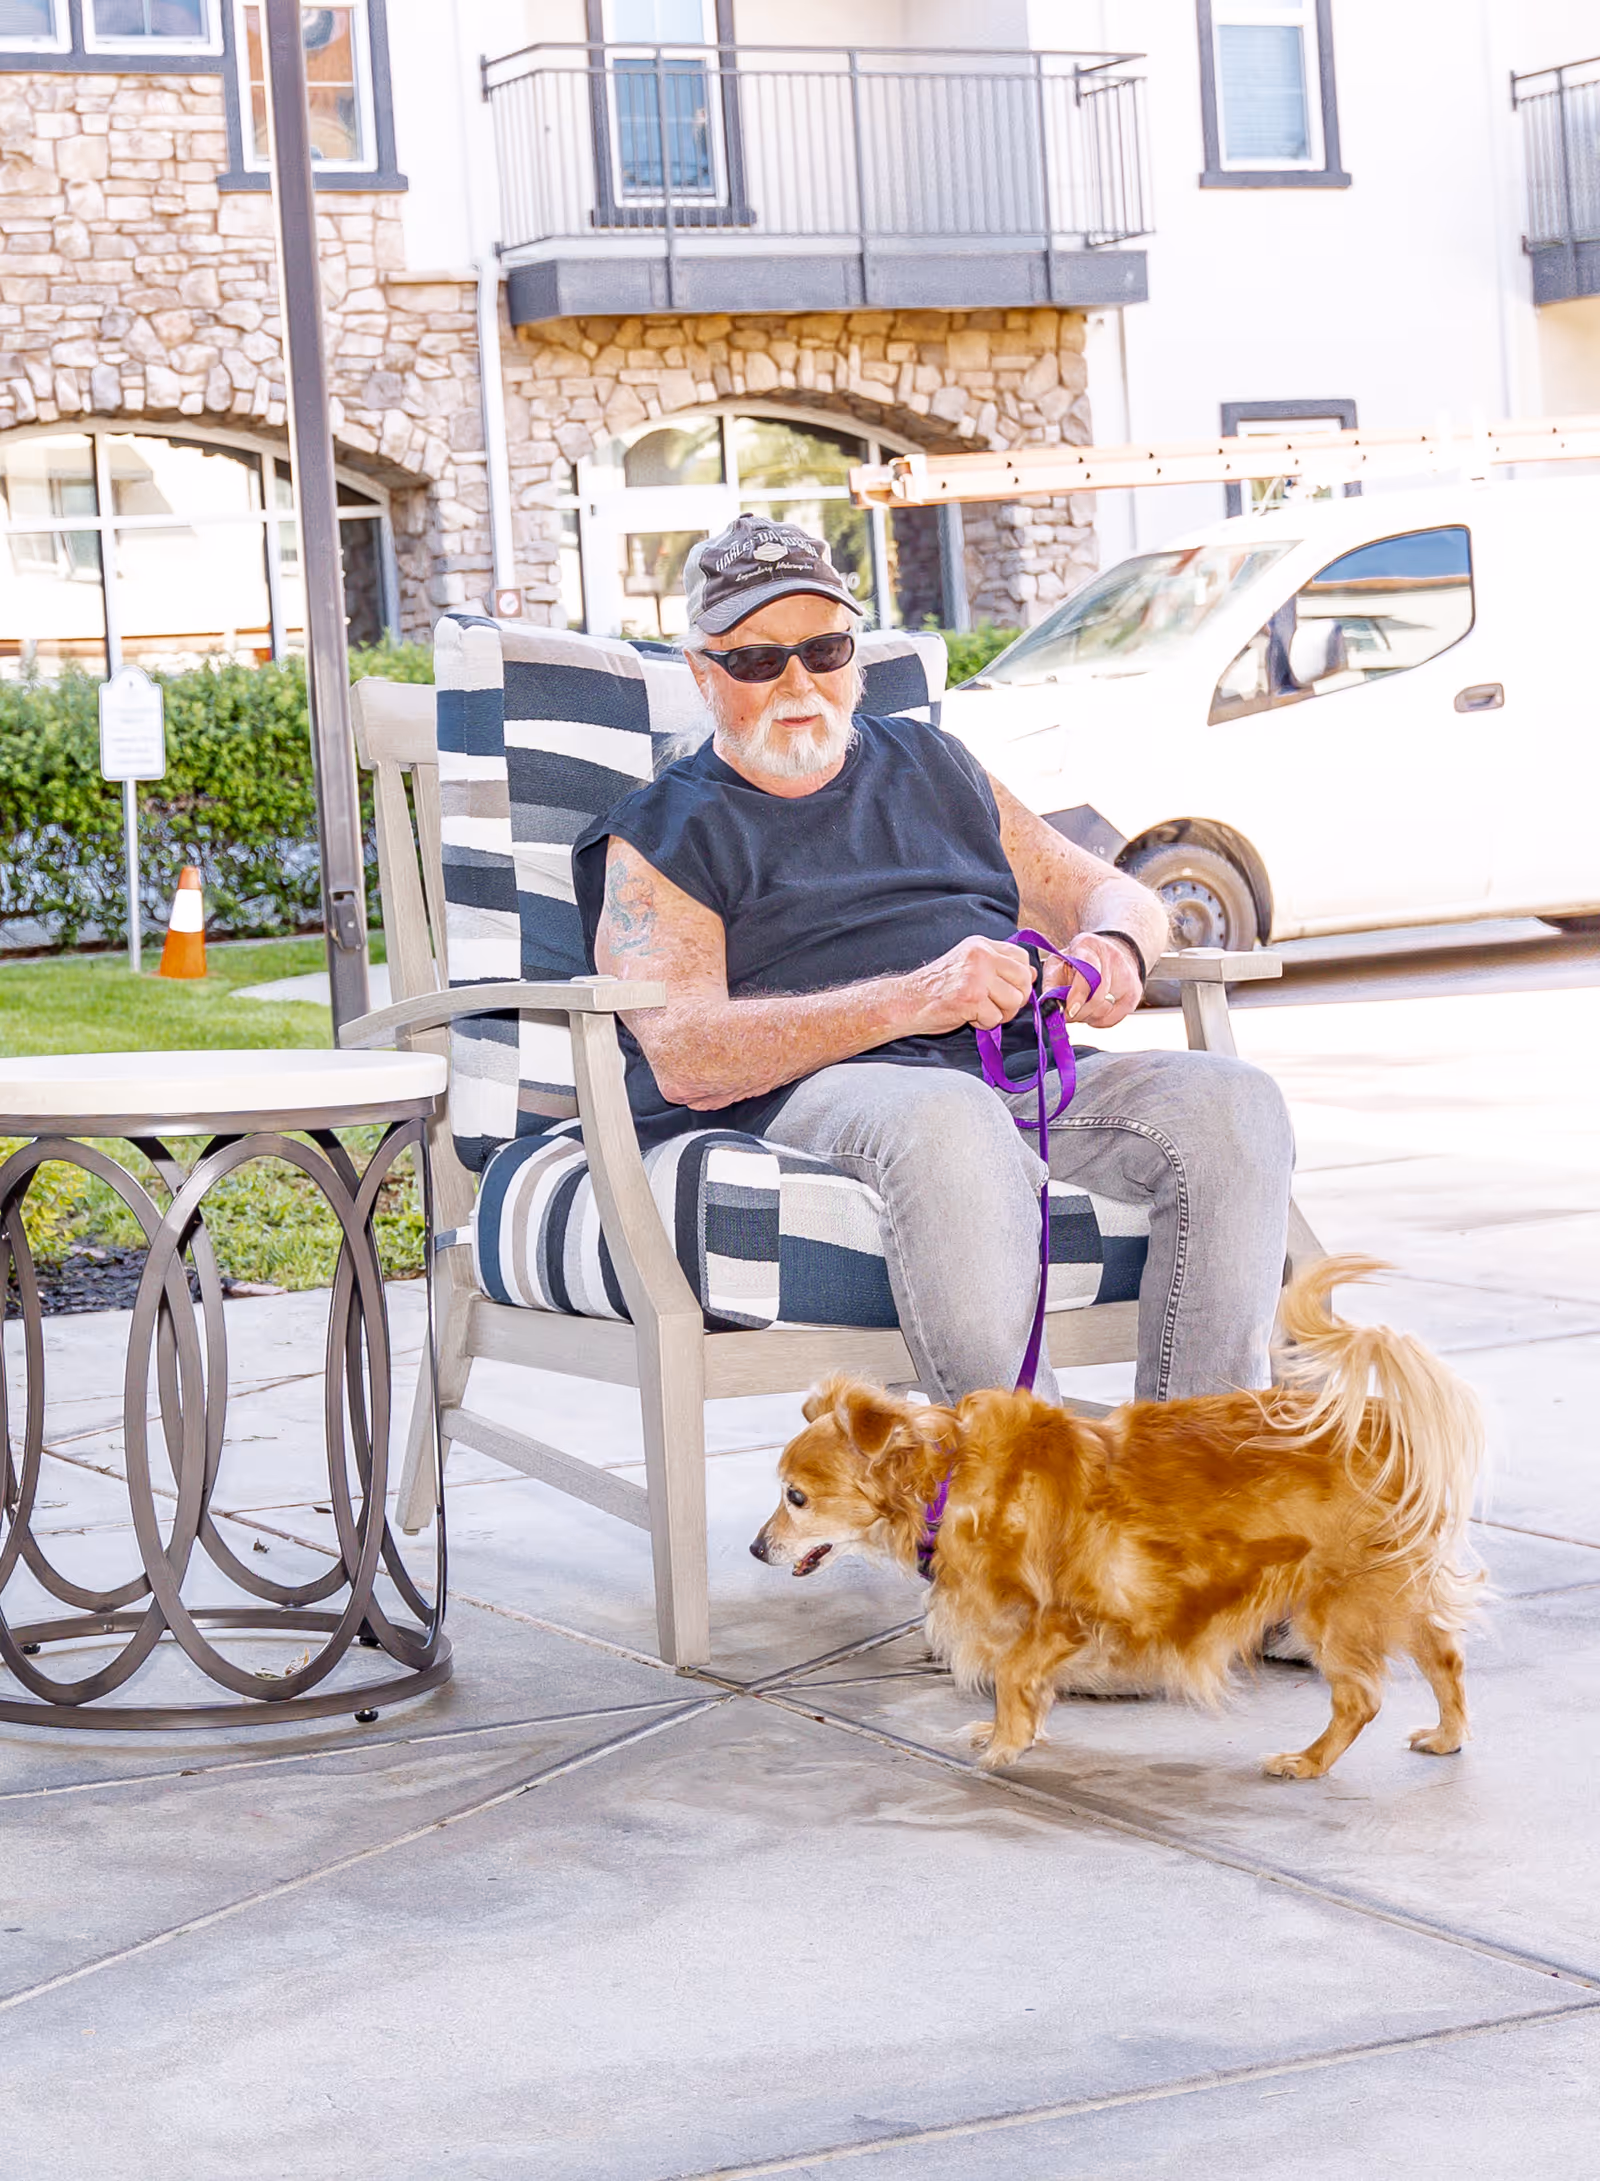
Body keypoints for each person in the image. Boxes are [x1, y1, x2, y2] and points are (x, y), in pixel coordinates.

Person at [572, 515, 1293, 1405]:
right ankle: (1011, 1503)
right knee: (950, 1116)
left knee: (1233, 1102)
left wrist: (1112, 947)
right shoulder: (661, 834)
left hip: (1015, 1077)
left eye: (826, 649)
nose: (799, 682)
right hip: (818, 1095)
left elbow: (1114, 892)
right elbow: (685, 1055)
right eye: (759, 661)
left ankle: (1191, 1481)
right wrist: (914, 999)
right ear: (702, 671)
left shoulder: (936, 764)